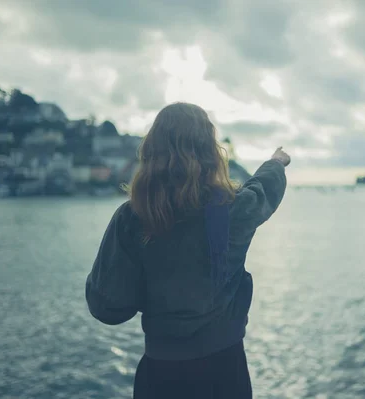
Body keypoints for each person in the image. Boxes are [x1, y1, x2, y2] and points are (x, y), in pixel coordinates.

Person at [85, 102, 290, 399]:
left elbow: (107, 307)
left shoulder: (131, 219)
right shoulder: (232, 211)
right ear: (210, 151)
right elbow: (262, 190)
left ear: (151, 151)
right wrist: (275, 162)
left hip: (161, 375)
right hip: (225, 373)